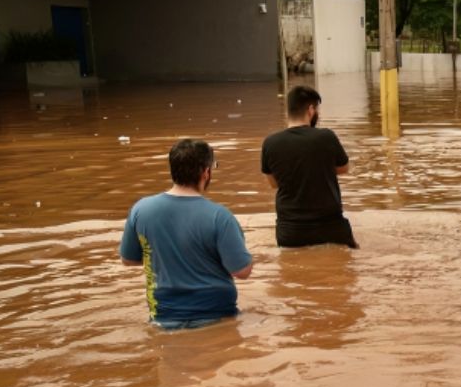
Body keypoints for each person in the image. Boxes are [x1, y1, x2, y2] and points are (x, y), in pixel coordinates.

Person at [120, 139, 253, 329]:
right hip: (218, 318)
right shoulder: (220, 216)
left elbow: (128, 260)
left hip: (163, 317)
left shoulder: (141, 210)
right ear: (206, 172)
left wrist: (166, 255)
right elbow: (242, 271)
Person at [261, 85, 357, 249]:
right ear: (311, 110)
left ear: (288, 111)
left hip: (290, 233)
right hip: (331, 230)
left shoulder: (270, 143)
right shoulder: (326, 137)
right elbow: (344, 168)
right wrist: (319, 167)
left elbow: (273, 184)